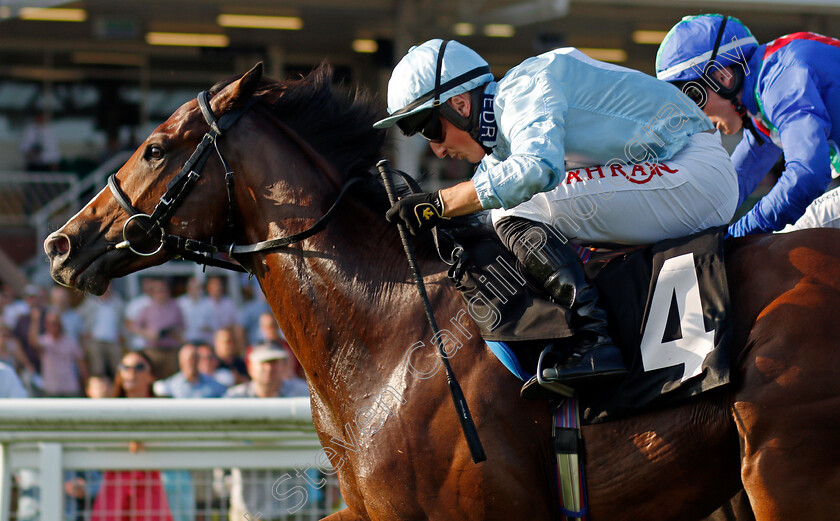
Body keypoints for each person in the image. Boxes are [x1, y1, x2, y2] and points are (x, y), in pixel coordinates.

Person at [375, 39, 738, 385]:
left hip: (694, 172)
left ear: (460, 104)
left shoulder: (525, 88)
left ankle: (594, 338)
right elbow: (486, 196)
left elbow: (535, 169)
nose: (437, 150)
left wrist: (439, 203)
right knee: (507, 210)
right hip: (678, 170)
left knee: (517, 207)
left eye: (431, 129)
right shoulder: (502, 137)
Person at [655, 14, 840, 235]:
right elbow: (732, 184)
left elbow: (808, 174)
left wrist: (735, 235)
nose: (695, 116)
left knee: (789, 238)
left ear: (723, 77)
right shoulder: (763, 87)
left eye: (693, 98)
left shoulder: (781, 82)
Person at [224, 344, 309, 521]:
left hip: (292, 499)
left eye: (274, 362)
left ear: (284, 366)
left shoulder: (302, 393)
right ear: (250, 367)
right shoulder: (234, 398)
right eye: (263, 363)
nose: (269, 368)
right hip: (248, 501)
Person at [91, 351, 177, 521]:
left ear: (151, 376)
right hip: (115, 483)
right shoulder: (108, 411)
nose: (131, 372)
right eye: (125, 367)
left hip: (149, 483)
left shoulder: (162, 409)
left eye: (139, 367)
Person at [128, 279, 184, 379]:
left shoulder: (176, 308)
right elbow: (134, 327)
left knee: (172, 378)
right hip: (153, 351)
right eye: (158, 291)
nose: (161, 293)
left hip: (171, 351)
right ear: (153, 293)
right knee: (153, 378)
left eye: (163, 290)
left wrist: (174, 332)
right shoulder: (147, 309)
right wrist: (149, 334)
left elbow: (182, 326)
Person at [28, 308, 88, 397]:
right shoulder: (44, 341)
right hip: (51, 390)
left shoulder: (71, 342)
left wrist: (86, 384)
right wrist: (35, 320)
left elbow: (81, 364)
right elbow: (33, 341)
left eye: (55, 323)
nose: (54, 326)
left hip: (70, 388)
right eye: (50, 324)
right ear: (46, 325)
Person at [78, 285, 126, 378]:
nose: (106, 292)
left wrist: (122, 334)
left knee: (119, 368)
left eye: (109, 290)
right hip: (95, 340)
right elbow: (79, 316)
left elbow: (123, 320)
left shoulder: (117, 303)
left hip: (113, 340)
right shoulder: (91, 302)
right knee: (98, 369)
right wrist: (85, 332)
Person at [153, 343, 227, 398]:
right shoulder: (171, 387)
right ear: (181, 362)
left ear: (198, 360)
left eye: (194, 359)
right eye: (189, 360)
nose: (192, 363)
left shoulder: (214, 386)